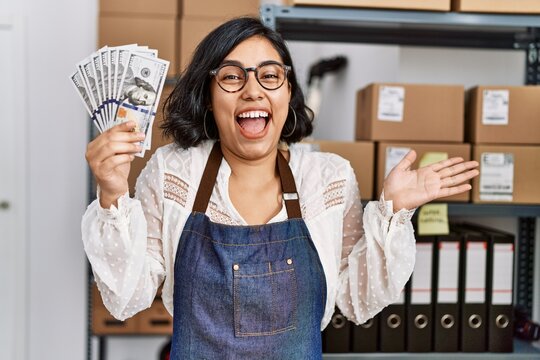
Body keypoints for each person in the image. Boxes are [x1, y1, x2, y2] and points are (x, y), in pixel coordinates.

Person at [82, 17, 479, 359]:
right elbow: (127, 297)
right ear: (207, 96)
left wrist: (392, 211)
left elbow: (357, 301)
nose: (253, 90)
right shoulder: (174, 173)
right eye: (232, 76)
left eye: (270, 75)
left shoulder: (327, 179)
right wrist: (113, 193)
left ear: (288, 92)